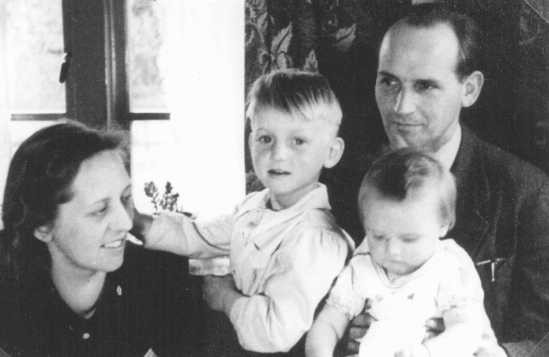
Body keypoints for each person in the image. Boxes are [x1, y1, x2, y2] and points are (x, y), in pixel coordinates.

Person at [328, 4, 549, 356]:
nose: (400, 106)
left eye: (425, 86)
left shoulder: (527, 194)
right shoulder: (340, 184)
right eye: (389, 82)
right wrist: (344, 337)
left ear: (470, 89)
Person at [133, 69, 354, 355]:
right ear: (251, 141)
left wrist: (225, 298)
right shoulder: (254, 207)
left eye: (298, 141)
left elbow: (274, 334)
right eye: (265, 139)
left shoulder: (316, 238)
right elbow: (196, 236)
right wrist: (135, 221)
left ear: (332, 152)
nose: (278, 154)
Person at [0, 121, 202, 356]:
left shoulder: (160, 280)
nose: (126, 223)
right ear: (43, 227)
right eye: (100, 210)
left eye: (125, 198)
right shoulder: (9, 297)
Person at [307, 149, 496, 357]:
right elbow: (328, 323)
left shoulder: (448, 267)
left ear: (443, 225)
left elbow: (467, 331)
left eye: (409, 239)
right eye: (378, 236)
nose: (393, 251)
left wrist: (426, 352)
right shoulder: (363, 267)